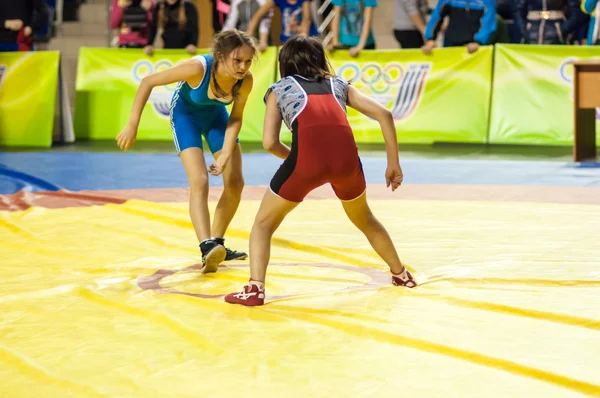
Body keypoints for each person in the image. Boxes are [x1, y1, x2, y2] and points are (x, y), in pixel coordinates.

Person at [222, 36, 417, 307]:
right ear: (319, 59)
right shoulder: (339, 85)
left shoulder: (279, 89)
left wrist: (303, 163)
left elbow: (269, 142)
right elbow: (384, 114)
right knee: (365, 219)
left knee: (263, 225)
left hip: (305, 162)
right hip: (346, 162)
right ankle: (401, 274)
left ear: (285, 63)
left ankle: (255, 289)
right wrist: (393, 164)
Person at [116, 30, 256, 272]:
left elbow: (236, 119)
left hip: (217, 118)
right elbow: (148, 81)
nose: (243, 67)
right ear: (220, 56)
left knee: (235, 182)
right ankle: (205, 246)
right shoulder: (197, 68)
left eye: (247, 61)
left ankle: (217, 244)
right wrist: (132, 124)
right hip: (186, 117)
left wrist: (224, 155)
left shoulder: (246, 80)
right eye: (237, 60)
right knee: (200, 180)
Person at [246, 0, 319, 48]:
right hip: (288, 42)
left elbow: (307, 18)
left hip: (309, 41)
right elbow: (258, 15)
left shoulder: (304, 1)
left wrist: (304, 35)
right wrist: (248, 39)